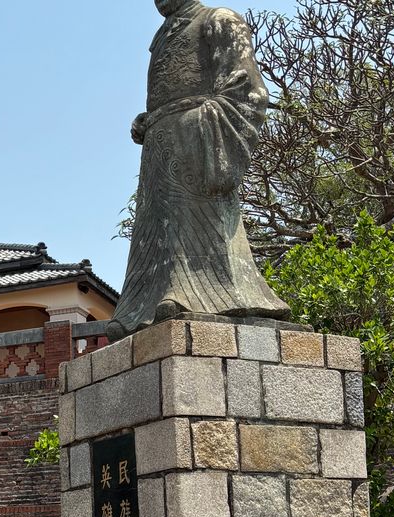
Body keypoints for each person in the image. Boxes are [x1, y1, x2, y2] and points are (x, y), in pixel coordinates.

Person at [112, 0, 290, 334]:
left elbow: (248, 89)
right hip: (160, 150)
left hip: (199, 139)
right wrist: (151, 119)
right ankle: (141, 308)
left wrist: (198, 123)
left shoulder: (218, 20)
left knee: (196, 223)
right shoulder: (162, 38)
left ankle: (206, 298)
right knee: (155, 230)